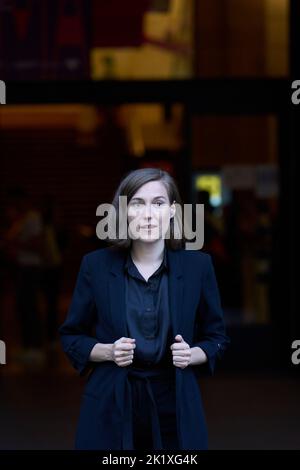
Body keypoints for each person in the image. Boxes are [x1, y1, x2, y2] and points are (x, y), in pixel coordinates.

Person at [59, 168, 230, 450]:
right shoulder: (95, 266)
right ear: (123, 212)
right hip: (112, 400)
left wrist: (192, 354)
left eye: (158, 204)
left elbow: (218, 339)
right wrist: (108, 351)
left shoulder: (198, 266)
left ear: (173, 211)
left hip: (175, 399)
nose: (148, 214)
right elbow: (71, 336)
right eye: (137, 204)